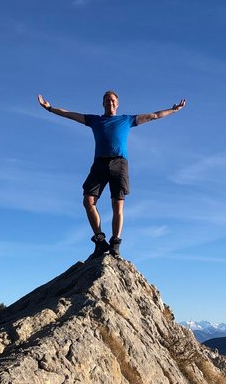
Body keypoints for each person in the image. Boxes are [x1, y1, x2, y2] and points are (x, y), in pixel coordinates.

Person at [38, 90, 186, 258]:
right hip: (99, 163)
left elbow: (154, 115)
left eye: (113, 100)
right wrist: (50, 108)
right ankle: (100, 241)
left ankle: (115, 243)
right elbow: (71, 115)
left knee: (117, 205)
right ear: (103, 104)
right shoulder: (95, 120)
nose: (110, 103)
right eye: (107, 100)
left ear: (117, 103)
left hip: (119, 163)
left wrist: (173, 110)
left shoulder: (126, 120)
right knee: (88, 200)